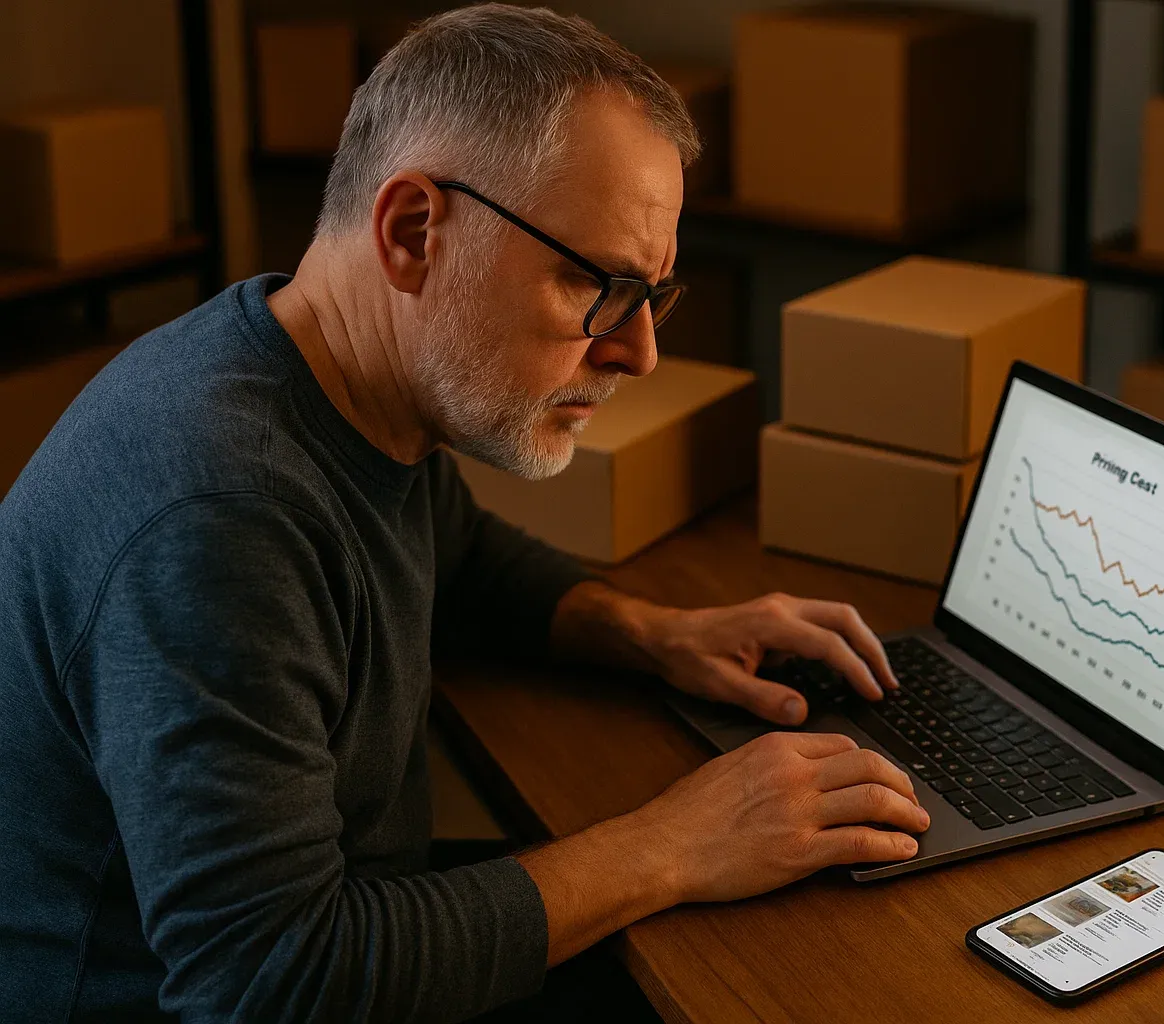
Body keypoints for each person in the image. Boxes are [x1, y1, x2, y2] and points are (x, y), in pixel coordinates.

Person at [0, 6, 931, 1022]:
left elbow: (455, 552)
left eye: (653, 296)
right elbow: (266, 983)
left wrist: (658, 635)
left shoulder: (330, 380)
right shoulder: (223, 513)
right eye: (595, 282)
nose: (637, 354)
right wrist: (672, 844)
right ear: (411, 231)